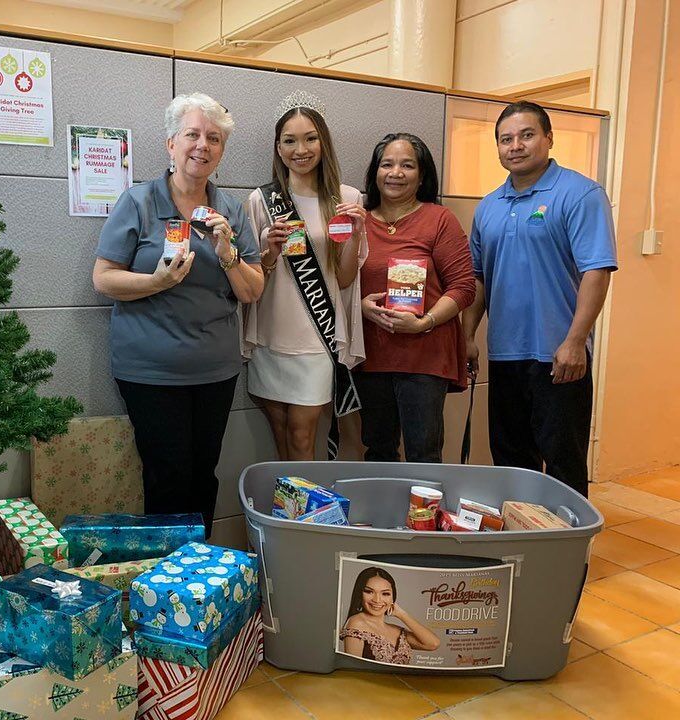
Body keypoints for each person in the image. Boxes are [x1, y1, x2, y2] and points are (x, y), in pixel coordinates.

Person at [92, 93, 263, 536]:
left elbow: (251, 290)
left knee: (203, 475)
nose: (202, 145)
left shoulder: (231, 210)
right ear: (171, 144)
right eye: (192, 135)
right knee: (167, 476)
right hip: (150, 371)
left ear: (222, 150)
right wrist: (157, 282)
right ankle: (164, 585)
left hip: (215, 371)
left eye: (213, 138)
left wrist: (227, 252)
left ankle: (198, 579)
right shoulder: (139, 202)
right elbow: (104, 279)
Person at [462, 101, 617, 497]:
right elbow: (478, 279)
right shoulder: (489, 207)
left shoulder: (580, 194)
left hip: (559, 356)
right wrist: (467, 337)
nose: (516, 146)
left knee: (563, 462)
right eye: (506, 139)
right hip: (506, 354)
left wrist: (575, 341)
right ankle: (523, 547)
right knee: (511, 460)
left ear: (549, 138)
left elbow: (596, 273)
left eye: (526, 135)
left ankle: (567, 555)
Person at [244, 91, 366, 461]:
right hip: (271, 333)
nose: (301, 149)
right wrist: (269, 251)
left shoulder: (346, 198)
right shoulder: (260, 201)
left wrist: (357, 233)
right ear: (278, 149)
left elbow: (344, 280)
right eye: (290, 140)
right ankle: (286, 515)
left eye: (310, 138)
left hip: (318, 337)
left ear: (323, 142)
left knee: (301, 436)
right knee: (281, 438)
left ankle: (304, 518)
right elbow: (252, 277)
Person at [354, 133, 476, 463]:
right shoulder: (358, 221)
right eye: (387, 164)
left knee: (424, 452)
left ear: (421, 175)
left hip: (425, 356)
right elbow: (341, 283)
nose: (395, 172)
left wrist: (424, 322)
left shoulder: (439, 219)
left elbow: (464, 287)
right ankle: (386, 516)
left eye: (407, 165)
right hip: (371, 357)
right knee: (377, 450)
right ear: (375, 172)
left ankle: (422, 518)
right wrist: (360, 307)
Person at [339, 566, 440, 664]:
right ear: (360, 594)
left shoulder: (397, 631)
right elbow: (354, 668)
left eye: (385, 594)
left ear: (393, 597)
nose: (377, 600)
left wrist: (401, 614)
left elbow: (433, 644)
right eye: (369, 592)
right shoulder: (357, 623)